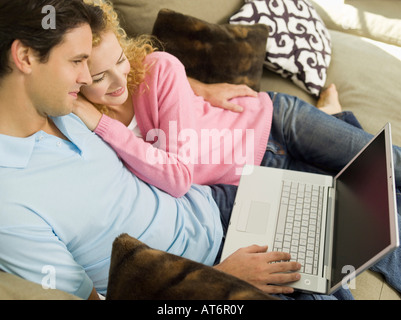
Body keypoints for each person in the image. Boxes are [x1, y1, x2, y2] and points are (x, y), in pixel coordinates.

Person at [0, 0, 400, 302]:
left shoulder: (64, 103)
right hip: (208, 263)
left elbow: (146, 67)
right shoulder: (12, 205)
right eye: (78, 63)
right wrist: (219, 278)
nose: (87, 78)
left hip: (227, 188)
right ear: (24, 58)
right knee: (350, 236)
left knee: (363, 202)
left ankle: (334, 123)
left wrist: (202, 88)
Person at [73, 1, 365, 199]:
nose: (119, 80)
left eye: (120, 60)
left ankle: (329, 114)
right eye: (99, 77)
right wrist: (101, 123)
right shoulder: (85, 126)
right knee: (362, 201)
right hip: (256, 177)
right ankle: (333, 115)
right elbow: (176, 183)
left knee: (385, 167)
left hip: (274, 120)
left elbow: (178, 172)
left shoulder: (158, 67)